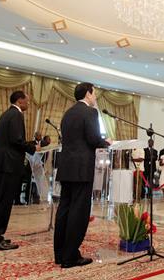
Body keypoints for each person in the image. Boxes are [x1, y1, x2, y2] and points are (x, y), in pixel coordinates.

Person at [54, 82, 110, 268]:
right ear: (87, 94)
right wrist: (106, 142)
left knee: (64, 209)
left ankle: (60, 253)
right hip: (81, 169)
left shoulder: (68, 113)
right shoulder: (90, 112)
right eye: (94, 94)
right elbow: (93, 139)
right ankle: (70, 256)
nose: (95, 97)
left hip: (66, 167)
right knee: (78, 212)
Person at [0, 91, 35, 251]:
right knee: (3, 203)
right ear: (19, 101)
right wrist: (32, 147)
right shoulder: (16, 115)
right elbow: (16, 140)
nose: (28, 104)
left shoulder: (6, 114)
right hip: (8, 165)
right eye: (27, 101)